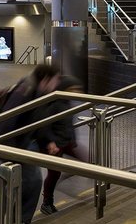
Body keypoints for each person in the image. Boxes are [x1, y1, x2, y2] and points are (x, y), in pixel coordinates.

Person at [0, 64, 61, 224]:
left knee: (21, 184)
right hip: (14, 145)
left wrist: (47, 141)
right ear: (45, 79)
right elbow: (8, 121)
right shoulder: (26, 90)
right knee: (30, 182)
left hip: (23, 143)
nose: (55, 85)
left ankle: (2, 217)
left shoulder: (36, 90)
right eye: (54, 81)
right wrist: (12, 153)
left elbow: (38, 121)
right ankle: (17, 219)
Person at [37, 75, 86, 216]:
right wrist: (51, 141)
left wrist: (73, 139)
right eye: (74, 89)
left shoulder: (67, 102)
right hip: (55, 145)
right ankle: (47, 203)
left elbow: (69, 125)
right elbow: (45, 126)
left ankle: (66, 175)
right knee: (53, 173)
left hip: (67, 141)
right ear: (65, 89)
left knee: (85, 163)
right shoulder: (55, 105)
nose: (77, 92)